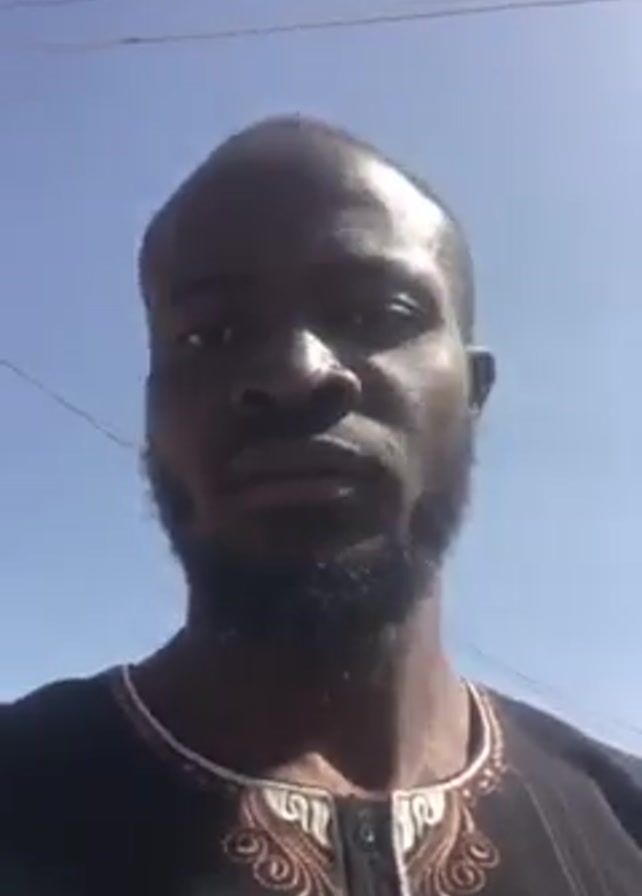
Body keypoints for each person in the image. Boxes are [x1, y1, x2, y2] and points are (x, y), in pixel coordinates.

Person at [1, 116, 641, 896]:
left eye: (379, 315)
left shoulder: (623, 823)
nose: (296, 373)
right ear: (152, 412)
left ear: (474, 395)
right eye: (212, 333)